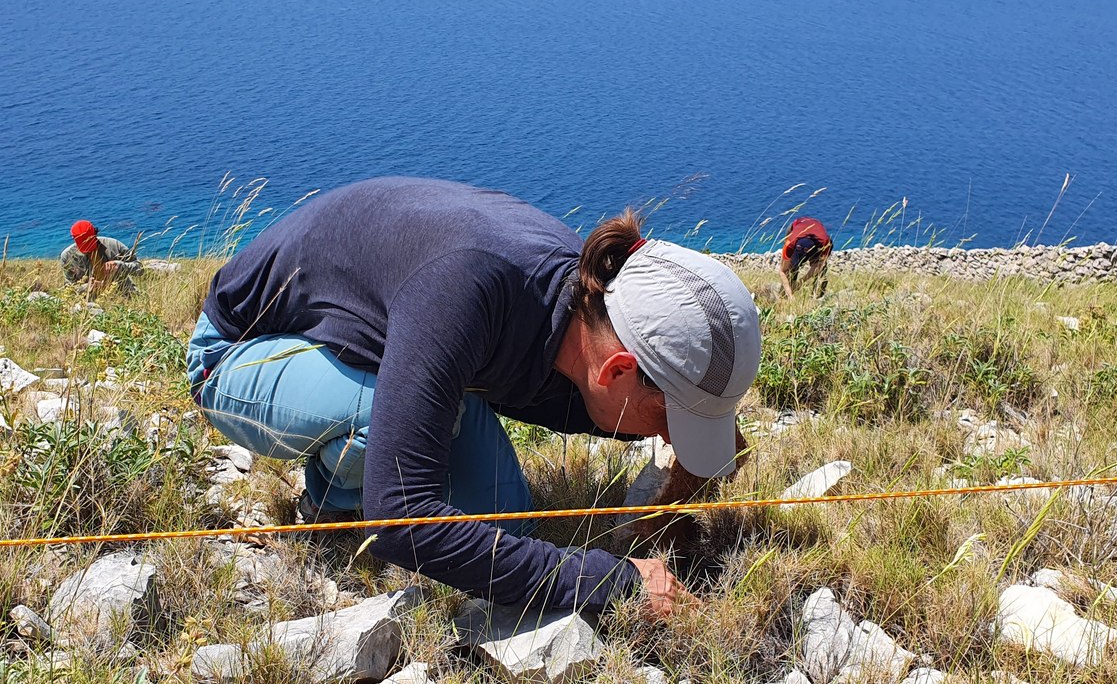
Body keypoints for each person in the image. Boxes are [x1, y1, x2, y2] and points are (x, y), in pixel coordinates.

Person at [185, 177, 760, 616]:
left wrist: (704, 437)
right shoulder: (466, 290)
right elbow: (402, 516)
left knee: (513, 533)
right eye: (667, 420)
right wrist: (611, 580)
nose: (663, 438)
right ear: (615, 371)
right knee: (409, 443)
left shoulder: (582, 302)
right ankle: (331, 501)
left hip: (372, 349)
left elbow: (618, 407)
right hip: (239, 356)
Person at [60, 220, 143, 298]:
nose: (89, 250)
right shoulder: (67, 256)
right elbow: (70, 287)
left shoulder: (114, 245)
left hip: (125, 295)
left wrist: (120, 265)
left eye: (90, 243)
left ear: (95, 234)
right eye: (83, 244)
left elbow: (140, 269)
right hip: (89, 300)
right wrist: (85, 287)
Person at [780, 216, 832, 298]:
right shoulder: (789, 243)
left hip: (817, 241)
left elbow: (819, 266)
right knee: (791, 268)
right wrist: (790, 294)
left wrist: (800, 282)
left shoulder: (824, 243)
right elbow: (783, 271)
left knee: (821, 269)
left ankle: (817, 294)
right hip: (798, 226)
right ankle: (786, 293)